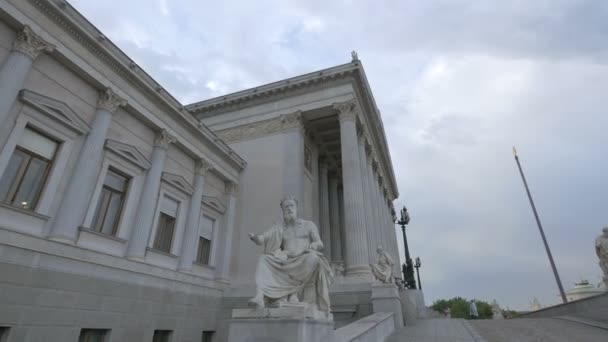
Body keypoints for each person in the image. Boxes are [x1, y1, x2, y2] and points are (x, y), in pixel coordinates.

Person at [248, 196, 334, 312]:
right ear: (282, 210)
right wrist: (255, 238)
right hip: (286, 259)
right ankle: (259, 297)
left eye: (291, 206)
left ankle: (294, 293)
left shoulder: (308, 225)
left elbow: (319, 243)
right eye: (286, 207)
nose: (289, 209)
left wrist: (313, 246)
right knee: (264, 259)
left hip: (303, 256)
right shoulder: (279, 228)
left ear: (296, 208)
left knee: (312, 258)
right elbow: (263, 238)